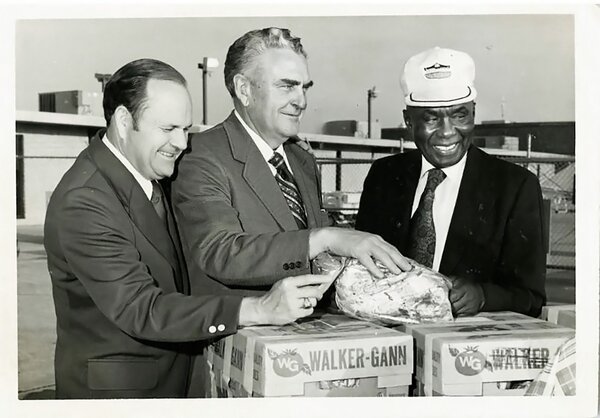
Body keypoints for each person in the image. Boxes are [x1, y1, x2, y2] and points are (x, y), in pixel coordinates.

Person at [43, 58, 331, 399]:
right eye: (168, 129)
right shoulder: (85, 200)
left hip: (176, 381)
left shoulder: (148, 174)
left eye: (185, 129)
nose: (181, 143)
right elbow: (141, 308)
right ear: (123, 121)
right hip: (123, 394)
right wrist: (257, 309)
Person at [171, 27, 410, 295]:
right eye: (286, 86)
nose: (301, 101)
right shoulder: (202, 156)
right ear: (244, 89)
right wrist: (324, 238)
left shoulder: (301, 159)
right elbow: (220, 252)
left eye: (304, 87)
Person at [355, 47, 546, 318]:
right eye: (431, 118)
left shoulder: (514, 186)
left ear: (473, 113)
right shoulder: (384, 176)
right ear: (408, 120)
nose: (447, 132)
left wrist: (482, 297)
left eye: (459, 115)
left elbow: (532, 297)